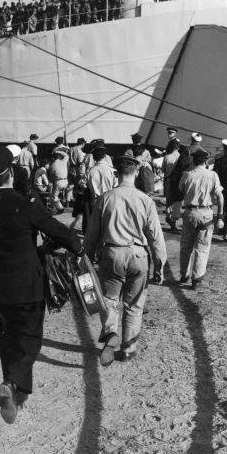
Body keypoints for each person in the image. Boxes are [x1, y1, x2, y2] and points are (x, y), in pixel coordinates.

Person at [0, 145, 83, 424]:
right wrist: (76, 247)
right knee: (30, 339)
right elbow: (61, 233)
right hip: (28, 282)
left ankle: (18, 394)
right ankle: (11, 383)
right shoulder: (27, 206)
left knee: (7, 339)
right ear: (11, 171)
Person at [84, 155, 167, 365]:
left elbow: (92, 234)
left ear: (116, 174)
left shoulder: (105, 198)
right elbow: (155, 236)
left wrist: (86, 258)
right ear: (136, 173)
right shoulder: (146, 200)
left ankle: (111, 332)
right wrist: (160, 264)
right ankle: (128, 348)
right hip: (138, 256)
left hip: (111, 254)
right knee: (134, 305)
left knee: (110, 300)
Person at [178, 147, 224, 290]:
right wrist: (220, 215)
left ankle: (184, 274)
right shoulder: (212, 175)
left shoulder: (186, 175)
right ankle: (196, 279)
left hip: (190, 212)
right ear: (205, 162)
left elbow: (181, 190)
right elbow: (220, 196)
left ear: (193, 160)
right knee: (202, 248)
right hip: (205, 214)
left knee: (186, 246)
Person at [161, 138, 182, 231]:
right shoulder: (181, 157)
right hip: (179, 181)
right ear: (178, 147)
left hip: (169, 181)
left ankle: (169, 218)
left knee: (169, 201)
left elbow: (162, 169)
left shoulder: (167, 157)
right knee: (177, 201)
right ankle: (174, 221)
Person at [48, 149, 69, 214]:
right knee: (57, 194)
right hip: (66, 181)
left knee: (54, 197)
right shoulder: (64, 161)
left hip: (58, 182)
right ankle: (60, 204)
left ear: (53, 158)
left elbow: (51, 179)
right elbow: (66, 155)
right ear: (60, 157)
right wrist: (58, 151)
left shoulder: (52, 166)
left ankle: (60, 208)